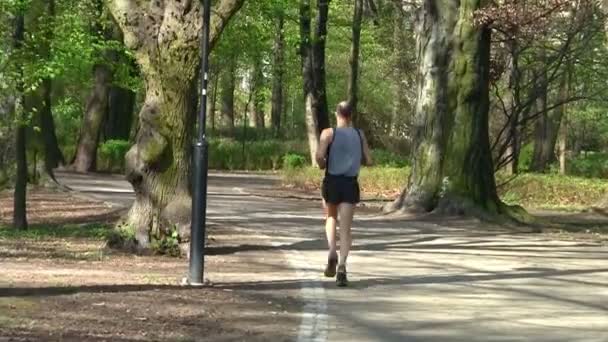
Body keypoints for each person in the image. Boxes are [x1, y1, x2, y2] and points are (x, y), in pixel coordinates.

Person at [315, 101, 372, 287]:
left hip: (332, 181)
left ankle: (332, 250)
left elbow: (319, 156)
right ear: (351, 115)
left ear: (336, 113)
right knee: (346, 228)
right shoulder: (359, 134)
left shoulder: (328, 133)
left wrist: (324, 163)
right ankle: (341, 266)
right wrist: (357, 158)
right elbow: (369, 160)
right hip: (350, 182)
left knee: (331, 216)